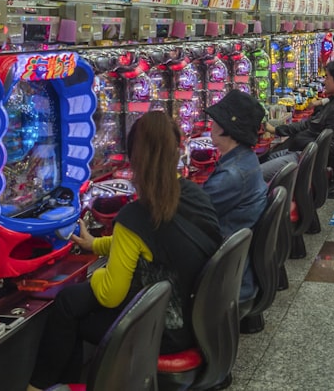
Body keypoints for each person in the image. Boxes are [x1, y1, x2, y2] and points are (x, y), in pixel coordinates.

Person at [26, 112, 221, 391]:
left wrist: (95, 274)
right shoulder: (192, 193)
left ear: (134, 157)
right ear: (178, 148)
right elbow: (154, 242)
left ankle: (44, 385)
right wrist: (97, 245)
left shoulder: (136, 215)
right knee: (73, 301)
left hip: (162, 330)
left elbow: (110, 293)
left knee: (69, 304)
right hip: (193, 317)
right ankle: (58, 385)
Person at [203, 89, 268, 302]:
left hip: (226, 280)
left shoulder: (232, 175)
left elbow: (192, 215)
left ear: (226, 129)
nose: (211, 125)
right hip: (235, 269)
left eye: (215, 121)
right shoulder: (244, 159)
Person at [259, 58, 334, 180]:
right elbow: (308, 125)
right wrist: (276, 130)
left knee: (254, 175)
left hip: (305, 159)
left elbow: (330, 149)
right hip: (300, 153)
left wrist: (302, 142)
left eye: (327, 77)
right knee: (261, 161)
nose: (324, 81)